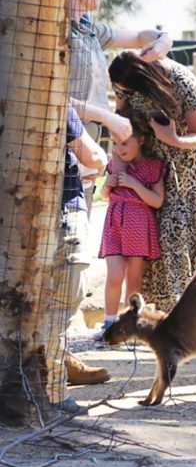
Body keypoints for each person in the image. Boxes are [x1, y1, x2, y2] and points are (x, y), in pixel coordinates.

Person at [108, 52, 196, 312]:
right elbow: (120, 121)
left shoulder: (181, 82)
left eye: (127, 89)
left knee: (178, 234)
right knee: (151, 242)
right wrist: (122, 167)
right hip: (149, 168)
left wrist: (173, 138)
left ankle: (193, 310)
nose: (122, 93)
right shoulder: (123, 82)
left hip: (185, 175)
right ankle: (158, 312)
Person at [67, 0, 173, 183]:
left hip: (89, 142)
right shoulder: (58, 33)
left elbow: (138, 36)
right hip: (65, 141)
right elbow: (55, 100)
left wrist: (163, 40)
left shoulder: (90, 28)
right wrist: (108, 118)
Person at [45, 105, 109, 414]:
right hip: (62, 210)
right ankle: (54, 393)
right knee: (62, 303)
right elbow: (93, 157)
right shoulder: (51, 96)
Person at [96, 110, 166, 339]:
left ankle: (130, 327)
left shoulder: (153, 166)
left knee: (134, 278)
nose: (118, 149)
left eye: (125, 143)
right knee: (114, 274)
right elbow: (106, 196)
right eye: (115, 143)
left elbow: (157, 201)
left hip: (139, 223)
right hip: (114, 222)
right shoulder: (114, 165)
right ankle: (108, 322)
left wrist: (134, 184)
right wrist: (107, 185)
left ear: (142, 139)